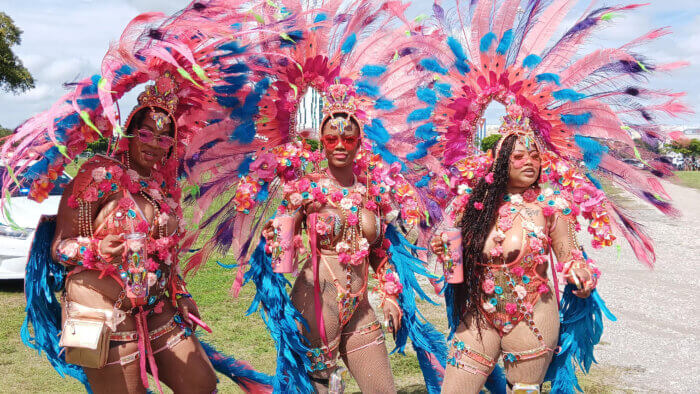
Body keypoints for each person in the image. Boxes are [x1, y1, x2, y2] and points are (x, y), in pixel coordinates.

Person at [50, 78, 217, 393]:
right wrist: (98, 248)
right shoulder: (98, 174)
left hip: (151, 302)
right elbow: (60, 248)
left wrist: (180, 293)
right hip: (100, 303)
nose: (155, 145)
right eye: (146, 134)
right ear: (129, 132)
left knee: (201, 384)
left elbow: (165, 252)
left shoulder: (161, 187)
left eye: (165, 140)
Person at [431, 120, 597, 393]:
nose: (529, 162)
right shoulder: (474, 205)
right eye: (518, 156)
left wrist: (580, 274)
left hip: (533, 315)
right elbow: (455, 273)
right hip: (479, 315)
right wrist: (447, 252)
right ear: (499, 163)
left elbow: (570, 257)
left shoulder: (552, 207)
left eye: (534, 156)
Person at [261, 100, 403, 393]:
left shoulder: (373, 191)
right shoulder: (307, 186)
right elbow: (279, 243)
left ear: (359, 143)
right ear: (322, 143)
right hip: (317, 300)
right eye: (331, 138)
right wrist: (276, 235)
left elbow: (380, 249)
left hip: (360, 304)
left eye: (348, 139)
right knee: (322, 386)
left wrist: (390, 294)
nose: (340, 145)